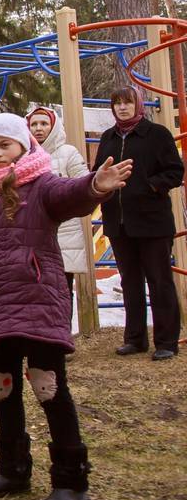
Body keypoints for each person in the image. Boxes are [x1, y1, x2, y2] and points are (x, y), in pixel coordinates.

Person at [0, 113, 131, 500]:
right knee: (2, 387)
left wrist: (96, 185)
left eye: (4, 145)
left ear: (23, 146)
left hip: (36, 301)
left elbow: (70, 195)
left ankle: (71, 482)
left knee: (48, 386)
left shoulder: (41, 183)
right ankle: (12, 470)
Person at [93, 85, 184, 361]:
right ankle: (134, 339)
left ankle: (167, 341)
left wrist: (150, 186)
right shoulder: (108, 138)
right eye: (117, 103)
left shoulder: (156, 135)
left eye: (127, 102)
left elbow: (175, 171)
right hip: (118, 223)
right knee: (130, 282)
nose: (122, 107)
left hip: (152, 222)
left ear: (138, 105)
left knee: (159, 281)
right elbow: (98, 172)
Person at [26, 107, 91, 307]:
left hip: (64, 232)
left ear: (54, 127)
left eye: (44, 124)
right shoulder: (24, 156)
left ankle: (64, 334)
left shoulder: (68, 153)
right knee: (34, 289)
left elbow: (84, 185)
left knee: (62, 288)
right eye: (34, 124)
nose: (38, 128)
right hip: (32, 232)